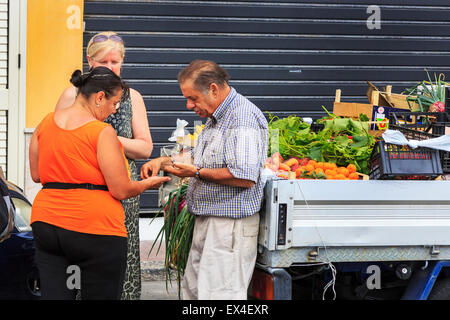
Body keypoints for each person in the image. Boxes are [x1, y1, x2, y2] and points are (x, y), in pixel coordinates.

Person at [29, 66, 170, 300]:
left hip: (48, 225)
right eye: (114, 103)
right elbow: (121, 188)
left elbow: (36, 175)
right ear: (99, 97)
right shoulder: (102, 132)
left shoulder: (45, 123)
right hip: (95, 229)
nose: (114, 110)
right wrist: (149, 184)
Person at [140, 60, 269, 300]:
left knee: (219, 296)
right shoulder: (216, 117)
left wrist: (196, 173)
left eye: (193, 98)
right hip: (211, 220)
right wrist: (163, 163)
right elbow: (203, 161)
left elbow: (245, 177)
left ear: (213, 89)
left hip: (228, 226)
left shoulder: (241, 118)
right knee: (197, 293)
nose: (189, 105)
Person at [54, 31, 151, 300]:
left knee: (123, 264)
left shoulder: (133, 98)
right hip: (81, 195)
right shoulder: (71, 95)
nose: (110, 68)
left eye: (115, 62)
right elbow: (57, 140)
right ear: (89, 61)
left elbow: (145, 147)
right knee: (81, 268)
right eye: (103, 62)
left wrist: (107, 137)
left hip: (122, 197)